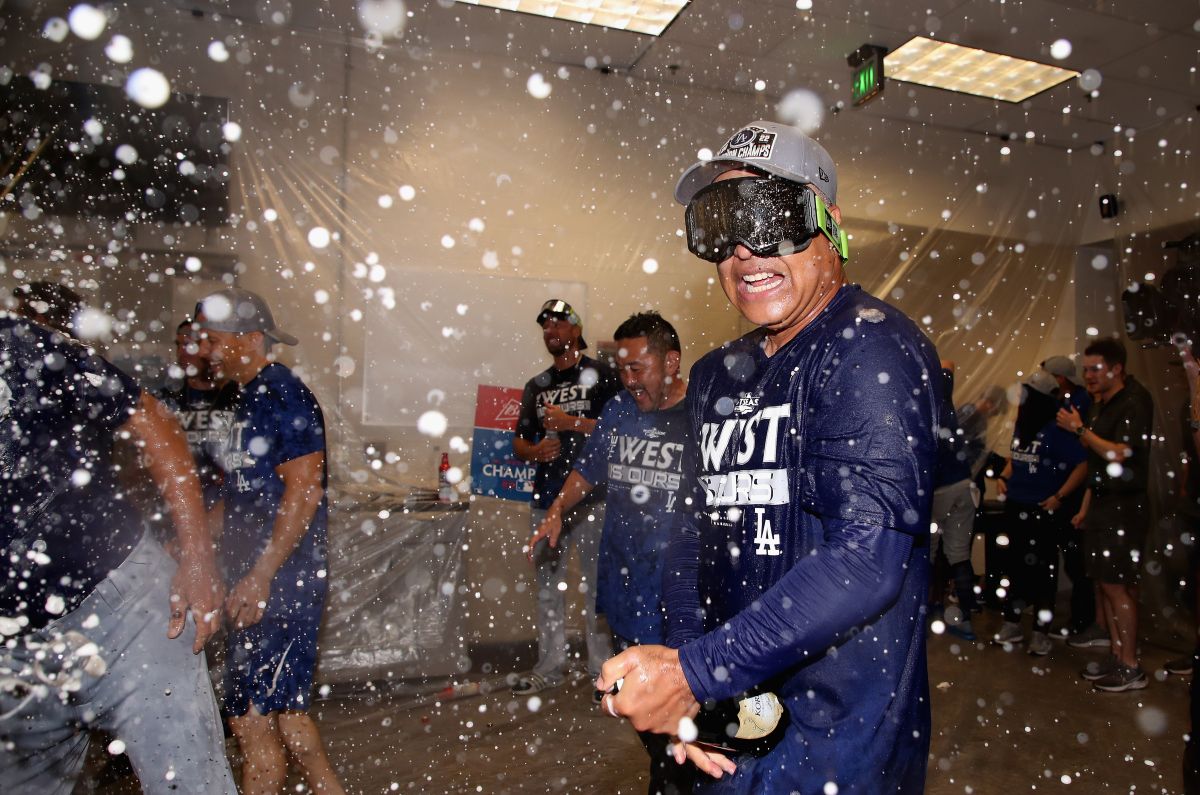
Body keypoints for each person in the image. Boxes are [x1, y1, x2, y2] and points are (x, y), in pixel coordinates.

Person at [597, 121, 941, 792]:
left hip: (833, 750)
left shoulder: (873, 350)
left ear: (830, 225)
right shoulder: (716, 374)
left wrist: (693, 674)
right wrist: (693, 688)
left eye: (773, 216)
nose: (745, 251)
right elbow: (690, 533)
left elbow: (866, 559)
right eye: (720, 226)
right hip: (726, 733)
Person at [0, 293, 235, 793]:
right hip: (13, 650)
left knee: (191, 782)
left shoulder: (19, 347)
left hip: (122, 604)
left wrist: (197, 555)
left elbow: (152, 424)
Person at [529, 311, 695, 795]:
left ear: (671, 362)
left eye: (638, 368)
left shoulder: (701, 415)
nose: (628, 380)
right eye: (621, 368)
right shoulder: (620, 411)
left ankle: (674, 779)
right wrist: (558, 507)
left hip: (679, 595)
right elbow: (589, 468)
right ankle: (672, 773)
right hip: (625, 587)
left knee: (676, 710)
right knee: (639, 708)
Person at [197, 288, 345, 795]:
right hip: (261, 584)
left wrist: (261, 574)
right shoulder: (243, 400)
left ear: (250, 339)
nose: (204, 351)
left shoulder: (282, 394)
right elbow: (241, 494)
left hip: (282, 586)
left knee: (252, 722)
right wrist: (190, 548)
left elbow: (304, 491)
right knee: (289, 724)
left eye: (213, 340)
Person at [511, 299, 620, 696]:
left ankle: (602, 672)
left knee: (597, 590)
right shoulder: (536, 387)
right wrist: (534, 451)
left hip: (593, 500)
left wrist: (570, 422)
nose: (551, 331)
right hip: (546, 500)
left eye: (559, 324)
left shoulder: (603, 374)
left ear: (576, 330)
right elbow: (519, 442)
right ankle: (550, 665)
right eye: (545, 326)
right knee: (547, 589)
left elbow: (619, 429)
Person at [1056, 338, 1154, 692]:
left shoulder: (1134, 401)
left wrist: (1080, 429)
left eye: (1095, 369)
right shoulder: (1102, 403)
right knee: (1105, 584)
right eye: (1085, 370)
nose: (1089, 376)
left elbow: (1119, 454)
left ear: (1117, 368)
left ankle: (1131, 664)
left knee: (1118, 586)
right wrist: (1085, 508)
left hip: (1124, 507)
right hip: (1101, 504)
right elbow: (1096, 457)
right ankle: (1116, 654)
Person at [993, 369, 1088, 655]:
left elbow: (1082, 465)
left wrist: (1059, 496)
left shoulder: (1058, 429)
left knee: (1044, 572)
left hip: (1041, 510)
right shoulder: (1024, 425)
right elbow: (1017, 458)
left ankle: (1040, 632)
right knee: (1012, 567)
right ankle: (1012, 622)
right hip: (1016, 506)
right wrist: (1005, 476)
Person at [930, 360, 981, 640]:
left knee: (929, 555)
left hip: (939, 489)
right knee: (959, 555)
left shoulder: (922, 404)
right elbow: (948, 363)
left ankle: (925, 615)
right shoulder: (944, 397)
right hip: (963, 484)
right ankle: (965, 618)